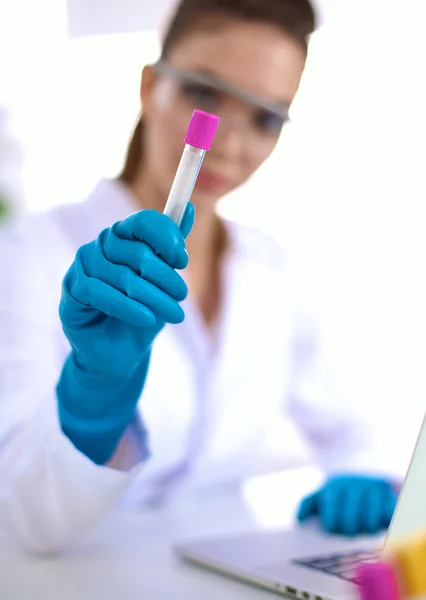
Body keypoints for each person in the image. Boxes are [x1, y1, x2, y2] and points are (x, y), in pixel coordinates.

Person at [0, 0, 399, 554]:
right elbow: (23, 518)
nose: (230, 146)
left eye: (265, 118)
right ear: (149, 87)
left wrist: (367, 474)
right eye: (204, 94)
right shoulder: (28, 254)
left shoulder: (269, 269)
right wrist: (95, 397)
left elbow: (356, 430)